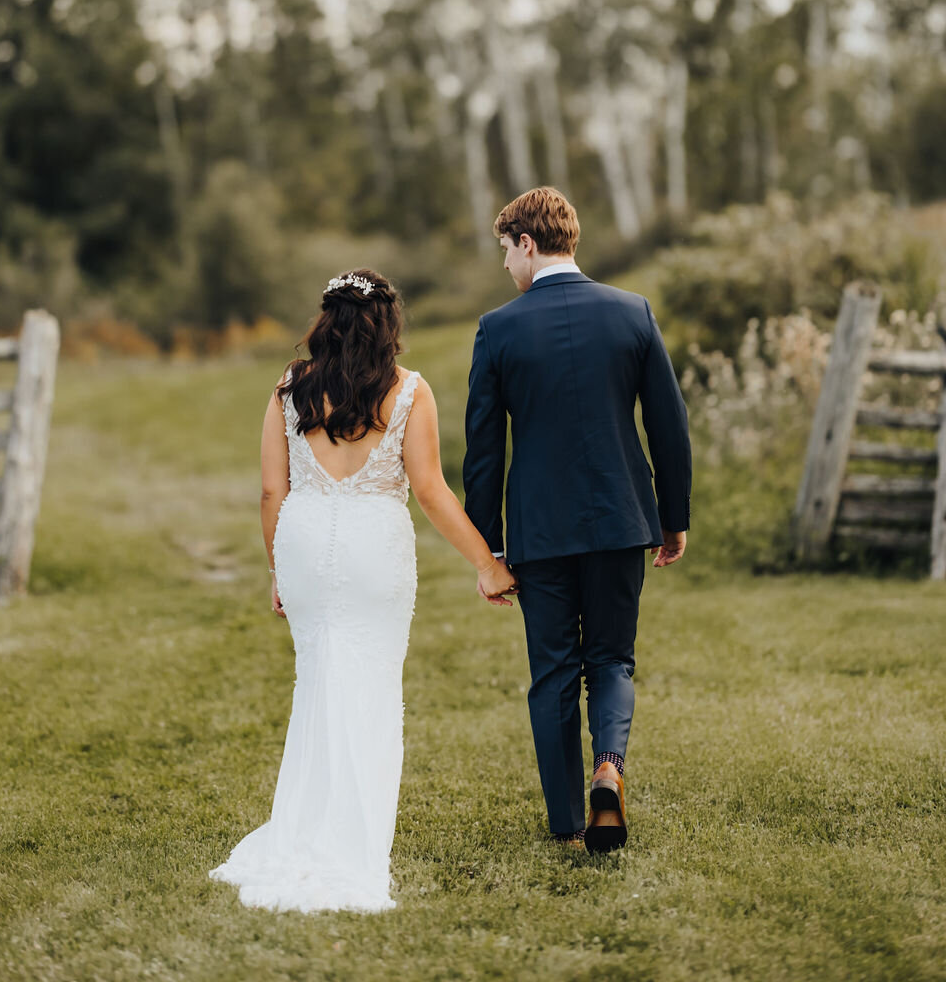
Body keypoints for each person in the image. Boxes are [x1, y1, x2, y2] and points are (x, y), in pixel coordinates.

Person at [209, 268, 515, 913]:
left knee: (318, 680)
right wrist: (486, 564)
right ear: (388, 324)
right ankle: (350, 843)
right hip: (374, 547)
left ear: (326, 320)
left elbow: (271, 491)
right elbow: (430, 490)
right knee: (370, 687)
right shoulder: (409, 392)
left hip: (304, 541)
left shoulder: (289, 388)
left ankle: (306, 826)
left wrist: (276, 570)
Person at [463, 187, 691, 852]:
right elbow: (669, 428)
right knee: (613, 659)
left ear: (527, 244)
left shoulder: (498, 328)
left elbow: (484, 451)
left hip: (538, 531)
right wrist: (672, 517)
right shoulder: (631, 313)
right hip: (622, 517)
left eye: (507, 250)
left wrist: (487, 551)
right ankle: (609, 770)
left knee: (554, 670)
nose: (506, 265)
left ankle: (567, 825)